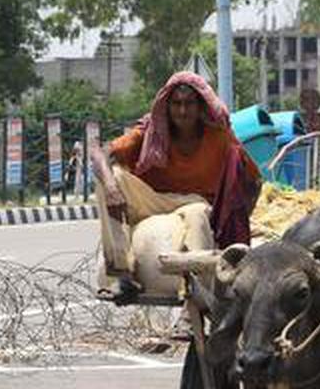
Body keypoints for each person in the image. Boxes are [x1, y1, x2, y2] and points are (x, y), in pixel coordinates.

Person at [91, 71, 261, 300]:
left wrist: (233, 218)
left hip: (195, 202)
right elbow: (100, 153)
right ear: (167, 107)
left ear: (200, 107)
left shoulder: (218, 137)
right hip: (154, 199)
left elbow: (253, 179)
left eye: (189, 104)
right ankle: (122, 273)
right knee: (109, 178)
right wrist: (111, 187)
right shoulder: (152, 131)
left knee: (198, 213)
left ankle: (194, 297)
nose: (182, 111)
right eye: (176, 104)